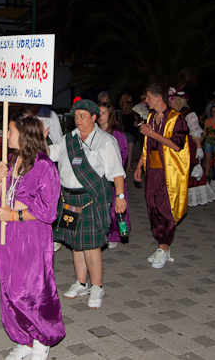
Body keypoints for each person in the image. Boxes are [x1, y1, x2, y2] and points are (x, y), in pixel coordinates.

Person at [0, 112, 65, 360]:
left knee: (30, 290)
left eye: (10, 130)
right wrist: (1, 179)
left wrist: (15, 216)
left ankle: (41, 339)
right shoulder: (12, 160)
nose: (7, 135)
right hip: (7, 236)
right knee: (10, 290)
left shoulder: (44, 166)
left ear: (24, 134)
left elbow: (47, 209)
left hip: (31, 236)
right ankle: (25, 338)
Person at [48, 99, 126, 309]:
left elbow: (117, 173)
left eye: (83, 116)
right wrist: (35, 140)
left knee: (91, 246)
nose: (78, 120)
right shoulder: (68, 139)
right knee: (75, 244)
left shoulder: (106, 141)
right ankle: (81, 283)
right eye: (76, 116)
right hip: (69, 199)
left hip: (91, 198)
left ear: (94, 117)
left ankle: (97, 287)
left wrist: (120, 198)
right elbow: (49, 154)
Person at [133, 83, 189, 269]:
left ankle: (164, 247)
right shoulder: (150, 116)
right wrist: (140, 165)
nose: (145, 100)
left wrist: (152, 133)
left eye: (148, 97)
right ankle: (161, 245)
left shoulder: (176, 118)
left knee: (165, 208)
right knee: (153, 207)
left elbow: (176, 145)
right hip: (152, 170)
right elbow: (147, 143)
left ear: (158, 98)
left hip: (168, 172)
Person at [168, 90, 215, 207]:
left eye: (172, 100)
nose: (170, 103)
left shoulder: (188, 114)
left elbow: (195, 132)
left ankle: (189, 197)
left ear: (178, 101)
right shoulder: (172, 113)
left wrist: (199, 147)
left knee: (189, 168)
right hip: (176, 145)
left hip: (187, 145)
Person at [97, 102, 131, 249]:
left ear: (110, 115)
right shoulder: (94, 132)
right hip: (98, 178)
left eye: (103, 113)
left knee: (114, 209)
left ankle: (115, 235)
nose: (100, 116)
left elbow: (123, 155)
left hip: (112, 177)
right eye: (98, 113)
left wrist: (110, 169)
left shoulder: (118, 134)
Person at [118, 93, 137, 171]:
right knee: (130, 151)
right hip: (131, 134)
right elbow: (135, 124)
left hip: (125, 133)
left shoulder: (123, 115)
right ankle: (128, 166)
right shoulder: (131, 116)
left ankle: (124, 164)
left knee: (124, 150)